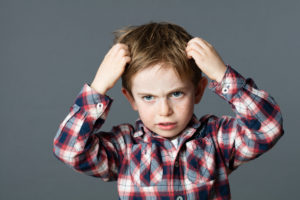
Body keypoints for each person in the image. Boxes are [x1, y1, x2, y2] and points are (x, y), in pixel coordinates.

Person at [53, 22, 284, 199]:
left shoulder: (217, 139)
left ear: (198, 91)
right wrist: (98, 88)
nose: (164, 110)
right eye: (148, 97)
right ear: (131, 98)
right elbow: (69, 150)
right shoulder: (125, 147)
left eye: (176, 94)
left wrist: (222, 75)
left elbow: (268, 127)